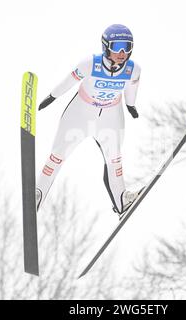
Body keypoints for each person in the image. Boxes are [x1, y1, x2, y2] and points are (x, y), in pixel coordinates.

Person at [36, 24, 143, 218]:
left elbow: (131, 89)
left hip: (110, 115)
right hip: (80, 114)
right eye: (117, 46)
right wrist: (52, 97)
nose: (122, 52)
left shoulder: (133, 69)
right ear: (106, 46)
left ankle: (122, 200)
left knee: (115, 158)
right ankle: (37, 195)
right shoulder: (90, 64)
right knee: (57, 156)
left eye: (126, 46)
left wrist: (131, 105)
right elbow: (68, 81)